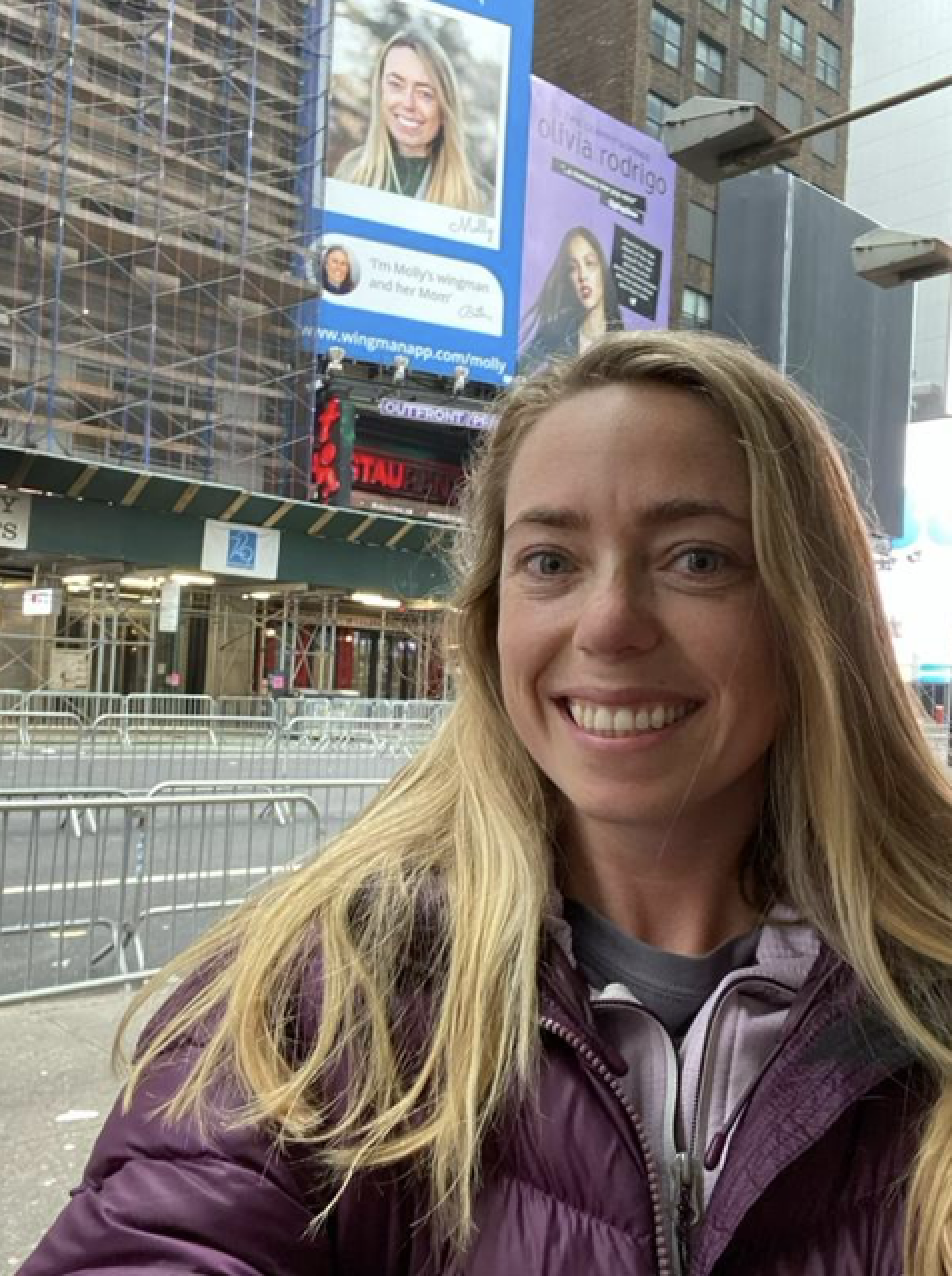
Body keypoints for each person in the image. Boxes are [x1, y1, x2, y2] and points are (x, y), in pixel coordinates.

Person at [21, 331, 952, 1276]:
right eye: (550, 561)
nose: (609, 625)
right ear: (490, 618)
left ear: (814, 613)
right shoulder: (325, 989)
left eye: (697, 560)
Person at [334, 27, 490, 213]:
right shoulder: (351, 171)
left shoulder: (479, 199)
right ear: (380, 91)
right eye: (396, 85)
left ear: (445, 110)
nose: (408, 103)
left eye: (425, 94)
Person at [520, 226, 624, 370]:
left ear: (603, 271)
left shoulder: (622, 347)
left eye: (589, 263)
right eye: (572, 268)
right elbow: (518, 376)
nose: (582, 276)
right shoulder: (554, 333)